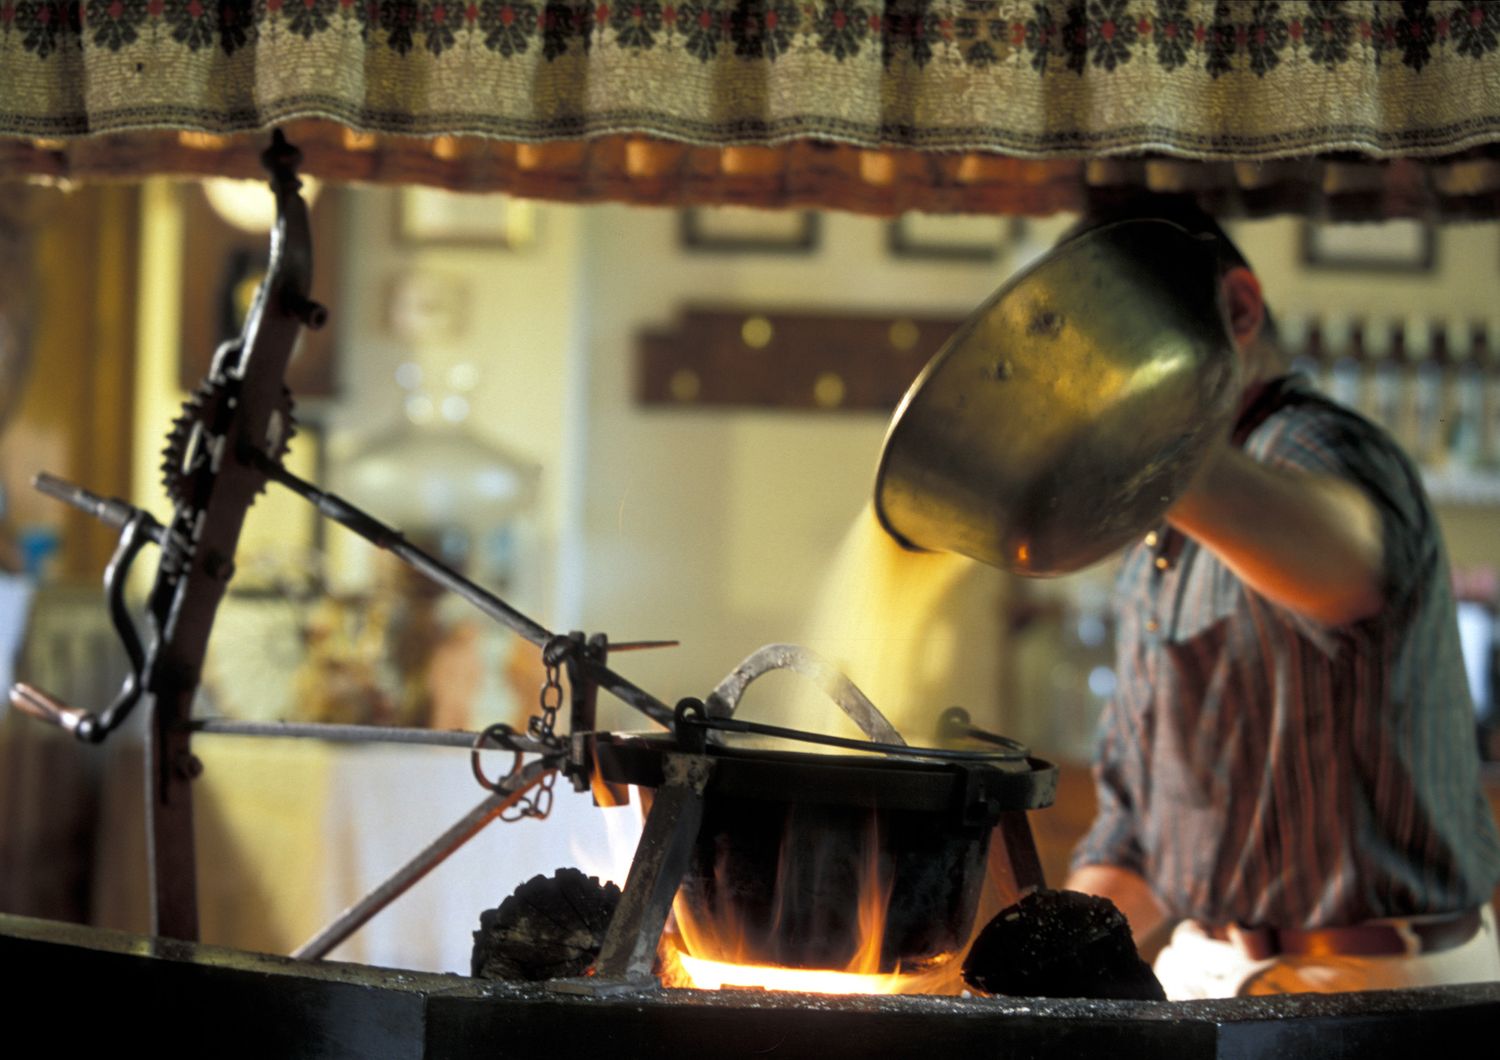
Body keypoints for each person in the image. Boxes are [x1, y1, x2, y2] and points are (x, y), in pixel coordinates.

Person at [1060, 199, 1500, 999]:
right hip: (1207, 965)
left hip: (1376, 979)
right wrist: (1049, 953)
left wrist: (1141, 446)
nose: (1094, 388)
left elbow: (1352, 570)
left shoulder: (1310, 444)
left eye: (1111, 350)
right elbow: (1139, 831)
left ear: (1239, 310)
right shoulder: (1158, 540)